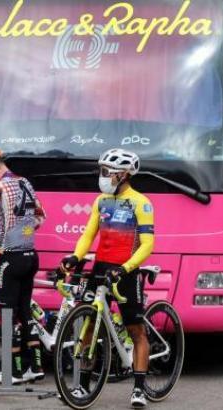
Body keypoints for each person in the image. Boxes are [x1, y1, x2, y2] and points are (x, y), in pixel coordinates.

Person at [60, 148, 153, 408]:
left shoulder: (141, 202)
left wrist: (125, 268)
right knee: (89, 325)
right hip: (100, 268)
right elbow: (88, 235)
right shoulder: (101, 201)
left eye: (106, 172)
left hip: (126, 271)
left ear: (123, 175)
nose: (101, 176)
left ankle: (139, 389)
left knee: (136, 331)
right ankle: (83, 386)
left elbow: (147, 244)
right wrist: (76, 256)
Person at [0, 149, 46, 386]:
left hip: (10, 257)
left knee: (7, 314)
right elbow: (40, 217)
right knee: (25, 311)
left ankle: (12, 372)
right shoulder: (25, 182)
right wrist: (23, 233)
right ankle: (34, 368)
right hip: (31, 255)